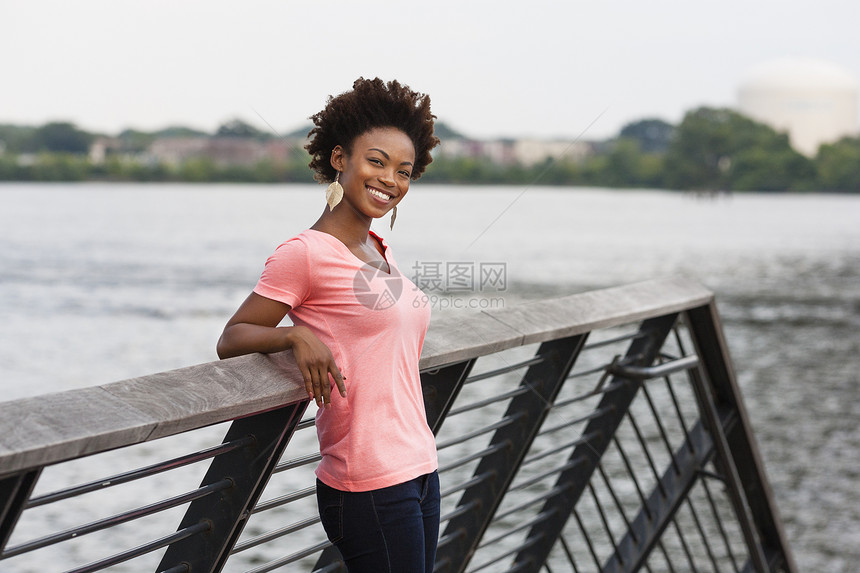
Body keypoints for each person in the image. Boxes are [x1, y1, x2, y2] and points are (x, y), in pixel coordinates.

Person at [216, 77, 442, 573]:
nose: (390, 180)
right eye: (376, 161)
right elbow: (232, 338)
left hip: (420, 467)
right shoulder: (305, 254)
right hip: (367, 480)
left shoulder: (381, 251)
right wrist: (296, 334)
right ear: (340, 159)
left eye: (403, 171)